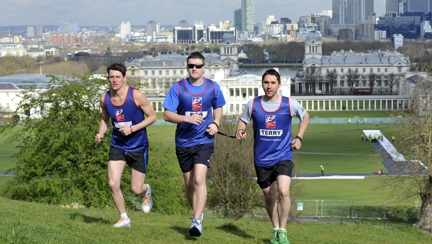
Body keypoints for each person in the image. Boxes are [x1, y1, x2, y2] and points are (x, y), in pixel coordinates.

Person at [235, 69, 309, 244]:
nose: (269, 86)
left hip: (283, 155)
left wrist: (299, 137)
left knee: (284, 192)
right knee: (269, 196)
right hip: (261, 158)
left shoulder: (289, 104)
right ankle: (275, 228)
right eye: (266, 83)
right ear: (262, 84)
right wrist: (240, 130)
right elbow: (242, 120)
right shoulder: (253, 104)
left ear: (279, 85)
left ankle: (283, 231)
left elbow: (305, 117)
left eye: (272, 83)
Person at [162, 52, 226, 237]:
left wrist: (216, 123)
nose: (195, 69)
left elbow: (219, 106)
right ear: (187, 67)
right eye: (191, 65)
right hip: (183, 142)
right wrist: (186, 119)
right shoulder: (178, 88)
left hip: (204, 140)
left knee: (199, 179)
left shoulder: (212, 87)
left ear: (204, 67)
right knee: (189, 183)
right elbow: (167, 114)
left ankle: (196, 222)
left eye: (198, 66)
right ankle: (197, 213)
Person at [94, 63, 157, 228]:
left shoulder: (136, 95)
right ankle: (124, 218)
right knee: (113, 183)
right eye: (111, 77)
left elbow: (152, 117)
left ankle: (147, 190)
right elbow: (105, 119)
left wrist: (132, 129)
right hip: (118, 145)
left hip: (138, 146)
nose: (114, 80)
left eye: (117, 77)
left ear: (124, 78)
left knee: (136, 189)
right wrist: (101, 133)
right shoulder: (105, 98)